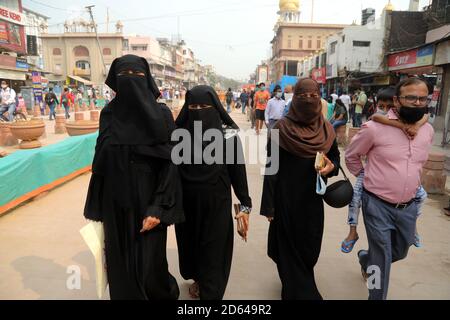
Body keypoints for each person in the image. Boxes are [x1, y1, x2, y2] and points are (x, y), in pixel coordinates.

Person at [83, 54, 184, 300]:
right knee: (120, 263)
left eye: (137, 76)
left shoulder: (162, 115)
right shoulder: (108, 114)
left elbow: (171, 164)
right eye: (124, 77)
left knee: (150, 265)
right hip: (115, 202)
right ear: (116, 82)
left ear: (147, 79)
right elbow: (101, 161)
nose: (131, 83)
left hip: (149, 198)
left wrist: (158, 208)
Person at [345, 78, 434, 300]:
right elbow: (352, 156)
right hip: (377, 204)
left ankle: (366, 258)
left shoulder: (427, 130)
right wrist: (366, 178)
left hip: (409, 206)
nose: (417, 102)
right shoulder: (374, 128)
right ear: (397, 100)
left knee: (399, 252)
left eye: (422, 98)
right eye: (411, 97)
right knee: (381, 259)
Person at [260, 78, 340, 300]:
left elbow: (335, 158)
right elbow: (271, 168)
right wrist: (269, 206)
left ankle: (296, 281)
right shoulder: (280, 129)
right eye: (302, 95)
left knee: (309, 248)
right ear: (294, 99)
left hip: (313, 200)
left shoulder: (326, 129)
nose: (308, 100)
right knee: (288, 249)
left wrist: (331, 167)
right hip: (285, 201)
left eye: (313, 95)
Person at [174, 85, 252, 300]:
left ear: (215, 108)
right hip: (186, 207)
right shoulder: (179, 136)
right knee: (192, 246)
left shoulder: (228, 137)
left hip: (217, 204)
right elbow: (170, 172)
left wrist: (245, 206)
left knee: (214, 249)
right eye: (193, 107)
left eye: (204, 106)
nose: (198, 111)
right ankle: (199, 279)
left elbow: (239, 174)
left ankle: (210, 293)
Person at [341, 87, 428, 254]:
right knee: (356, 197)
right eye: (382, 106)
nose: (386, 110)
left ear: (397, 104)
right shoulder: (374, 125)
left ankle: (412, 228)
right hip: (372, 185)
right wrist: (362, 173)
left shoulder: (419, 125)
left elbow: (425, 116)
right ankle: (352, 232)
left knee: (421, 196)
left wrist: (415, 125)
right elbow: (352, 155)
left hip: (405, 195)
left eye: (390, 107)